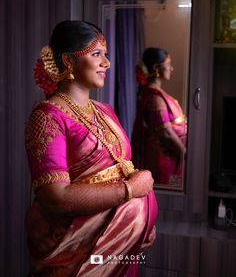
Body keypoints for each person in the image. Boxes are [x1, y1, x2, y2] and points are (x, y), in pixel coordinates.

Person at [25, 21, 158, 277]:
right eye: (96, 54)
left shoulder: (105, 111)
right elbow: (56, 197)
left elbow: (121, 167)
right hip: (78, 251)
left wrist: (142, 222)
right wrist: (131, 190)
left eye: (105, 54)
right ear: (69, 61)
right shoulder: (47, 118)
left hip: (120, 242)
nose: (106, 63)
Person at [131, 47, 186, 187]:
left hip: (171, 158)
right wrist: (184, 153)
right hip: (163, 161)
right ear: (157, 68)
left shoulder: (156, 95)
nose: (171, 68)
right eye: (168, 64)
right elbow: (165, 133)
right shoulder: (155, 98)